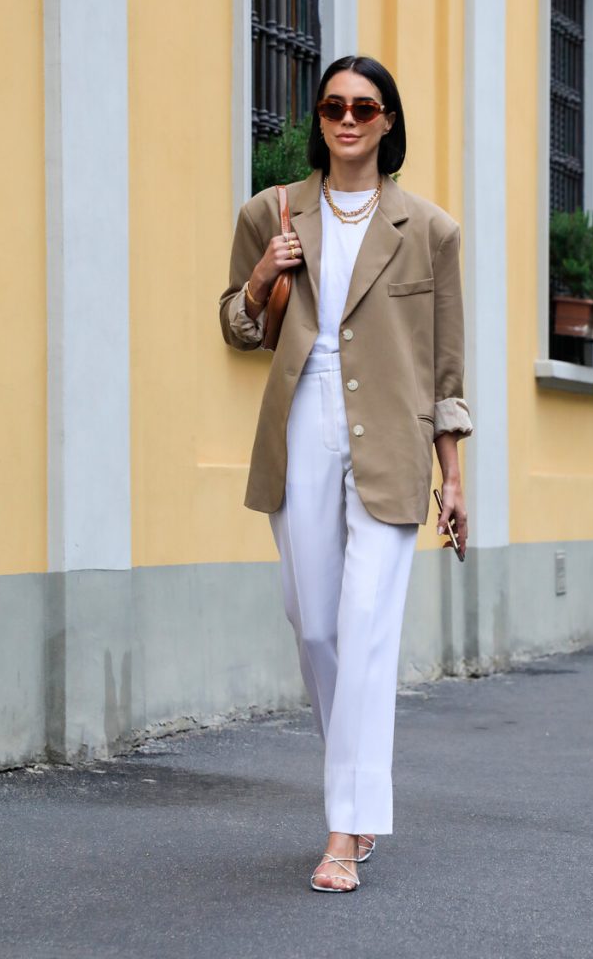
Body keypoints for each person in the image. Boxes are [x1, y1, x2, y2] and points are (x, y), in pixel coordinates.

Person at [218, 56, 473, 893]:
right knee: (316, 628)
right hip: (300, 422)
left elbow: (444, 369)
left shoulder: (429, 230)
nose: (348, 119)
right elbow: (235, 326)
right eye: (333, 106)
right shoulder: (271, 211)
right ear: (318, 119)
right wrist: (263, 276)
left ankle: (343, 830)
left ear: (387, 120)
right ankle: (354, 791)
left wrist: (453, 477)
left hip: (394, 438)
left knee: (364, 629)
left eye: (365, 107)